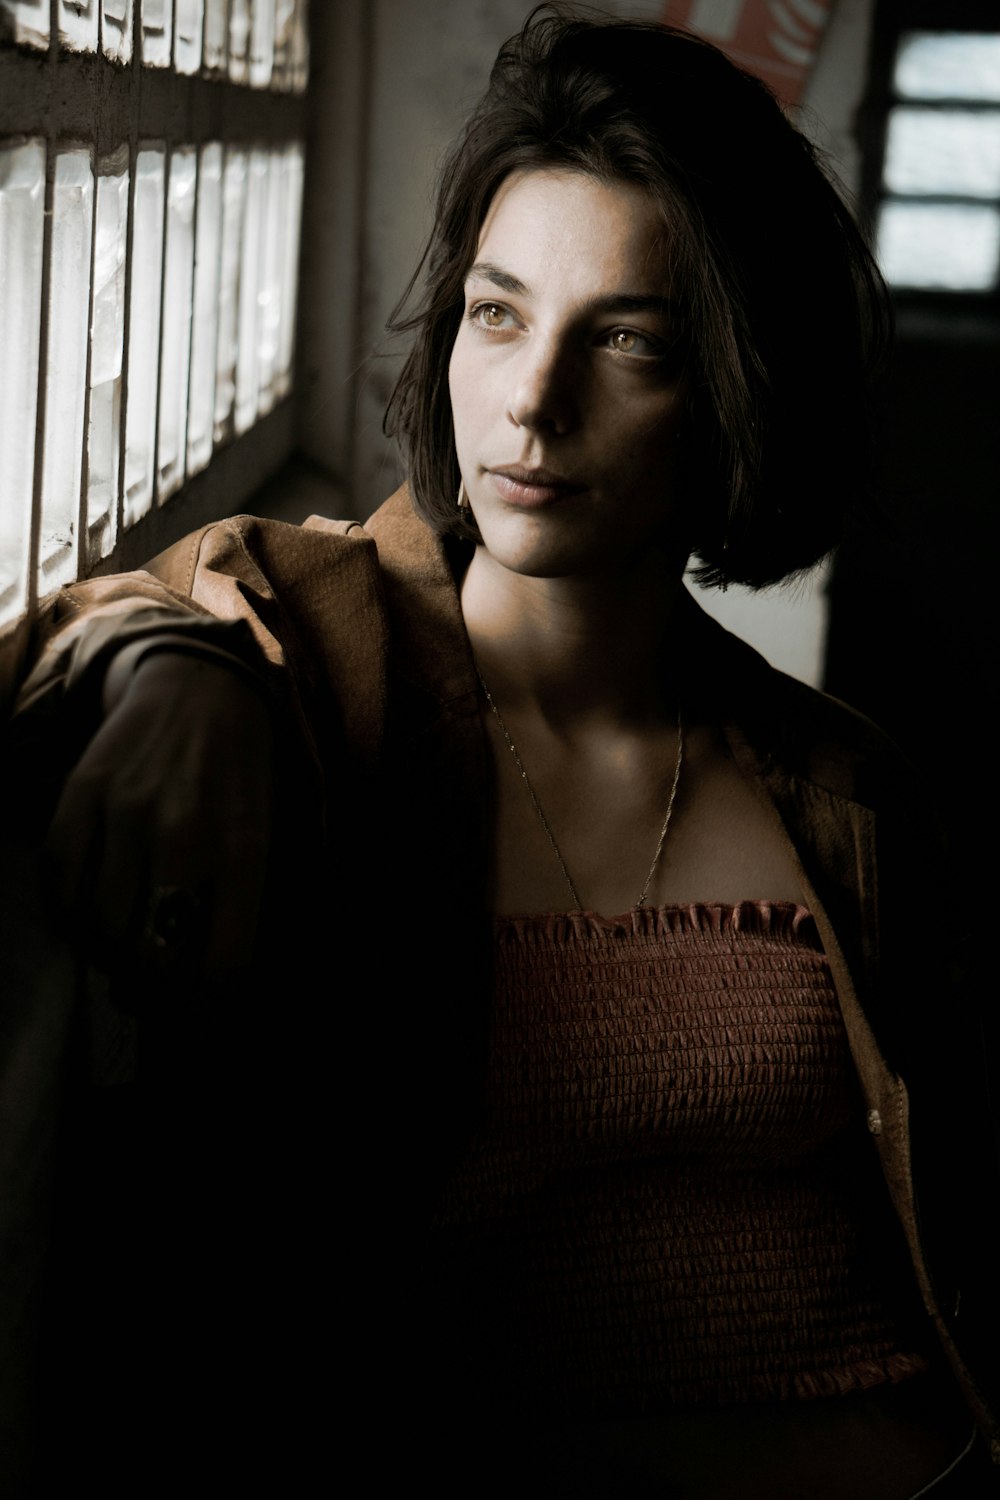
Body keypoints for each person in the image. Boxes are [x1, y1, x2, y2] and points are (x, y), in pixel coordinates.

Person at [3, 6, 998, 1495]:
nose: (534, 402)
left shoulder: (843, 788)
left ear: (727, 390)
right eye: (497, 313)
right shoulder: (310, 659)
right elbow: (90, 626)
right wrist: (170, 672)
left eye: (630, 343)